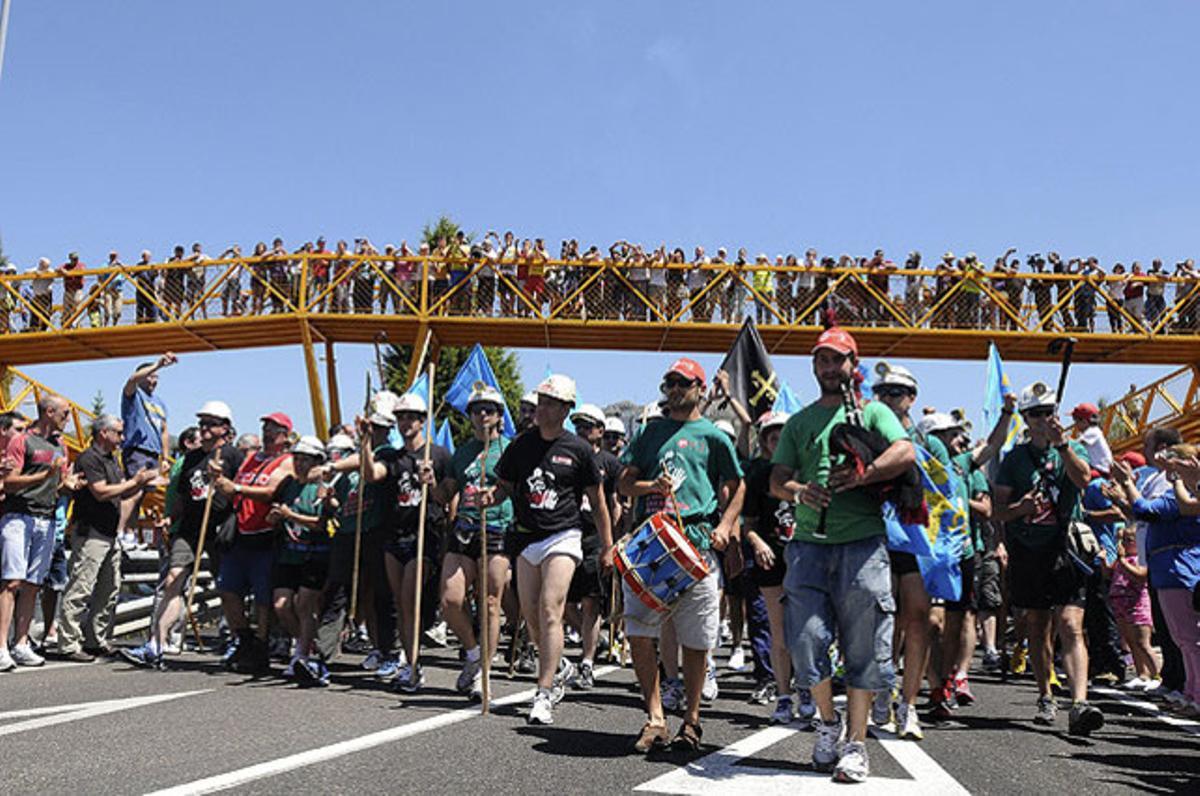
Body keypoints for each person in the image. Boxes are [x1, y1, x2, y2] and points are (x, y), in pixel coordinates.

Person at [769, 327, 913, 783]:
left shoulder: (873, 412)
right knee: (806, 639)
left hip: (863, 543)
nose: (830, 368)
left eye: (838, 360)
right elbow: (778, 481)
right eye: (822, 360)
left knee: (864, 646)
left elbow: (906, 451)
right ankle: (827, 725)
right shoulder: (800, 421)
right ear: (815, 367)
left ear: (854, 365)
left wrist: (864, 475)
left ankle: (856, 744)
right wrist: (801, 493)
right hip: (809, 546)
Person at [618, 358, 743, 753]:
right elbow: (623, 480)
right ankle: (655, 717)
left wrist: (726, 526)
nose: (674, 389)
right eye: (669, 382)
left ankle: (691, 720)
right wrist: (647, 485)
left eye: (682, 383)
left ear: (699, 389)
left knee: (697, 640)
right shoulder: (649, 432)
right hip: (652, 544)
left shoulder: (713, 436)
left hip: (697, 544)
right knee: (638, 631)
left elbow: (737, 484)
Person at [486, 374, 612, 725]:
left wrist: (607, 546)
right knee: (530, 614)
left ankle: (543, 693)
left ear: (566, 409)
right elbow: (504, 488)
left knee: (549, 607)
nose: (542, 408)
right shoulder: (521, 445)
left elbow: (599, 503)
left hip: (564, 536)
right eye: (540, 401)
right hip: (526, 537)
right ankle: (561, 666)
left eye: (551, 403)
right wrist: (487, 498)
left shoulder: (579, 449)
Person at [993, 381, 1105, 735]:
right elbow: (997, 509)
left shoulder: (1072, 448)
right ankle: (1045, 694)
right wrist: (1020, 509)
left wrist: (1062, 445)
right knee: (1039, 627)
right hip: (1028, 550)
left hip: (1065, 547)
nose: (1043, 419)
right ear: (1026, 418)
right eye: (1036, 414)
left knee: (1071, 624)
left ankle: (1080, 702)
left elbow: (1083, 478)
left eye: (1048, 412)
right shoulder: (1014, 459)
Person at [122, 401, 243, 669]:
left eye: (210, 423)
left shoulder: (234, 456)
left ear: (224, 427)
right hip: (189, 527)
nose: (204, 428)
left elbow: (239, 494)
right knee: (173, 580)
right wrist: (170, 517)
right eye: (201, 423)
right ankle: (156, 644)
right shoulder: (191, 457)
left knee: (227, 588)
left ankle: (239, 641)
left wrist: (221, 481)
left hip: (221, 528)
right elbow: (183, 497)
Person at [54, 415, 162, 662]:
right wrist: (135, 481)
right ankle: (68, 643)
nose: (122, 438)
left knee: (109, 588)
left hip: (109, 533)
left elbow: (122, 491)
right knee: (81, 587)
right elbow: (101, 492)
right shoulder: (90, 458)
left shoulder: (111, 460)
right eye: (119, 433)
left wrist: (142, 483)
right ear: (104, 433)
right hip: (91, 532)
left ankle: (95, 639)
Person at [364, 392, 452, 692]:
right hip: (395, 535)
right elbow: (372, 474)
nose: (405, 423)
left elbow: (448, 497)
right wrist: (364, 442)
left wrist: (432, 482)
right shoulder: (392, 457)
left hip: (424, 535)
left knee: (410, 598)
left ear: (422, 421)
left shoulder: (438, 455)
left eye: (411, 418)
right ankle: (410, 661)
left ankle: (413, 664)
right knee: (400, 604)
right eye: (400, 418)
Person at [432, 384, 513, 700]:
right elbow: (444, 494)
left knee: (491, 603)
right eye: (477, 410)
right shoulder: (463, 452)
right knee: (450, 599)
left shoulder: (509, 450)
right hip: (464, 531)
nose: (482, 415)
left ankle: (484, 673)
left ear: (498, 416)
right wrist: (430, 482)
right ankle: (473, 654)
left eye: (489, 410)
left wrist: (492, 497)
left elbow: (516, 489)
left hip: (497, 530)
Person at [209, 413, 296, 673]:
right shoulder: (250, 458)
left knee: (263, 597)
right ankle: (245, 639)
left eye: (275, 429)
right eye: (266, 427)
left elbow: (271, 491)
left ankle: (262, 644)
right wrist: (221, 479)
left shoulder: (286, 462)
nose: (269, 432)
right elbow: (232, 485)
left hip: (265, 536)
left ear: (286, 435)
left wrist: (236, 489)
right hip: (241, 534)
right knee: (227, 590)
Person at [0, 396, 78, 671]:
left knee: (33, 584)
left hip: (47, 518)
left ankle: (21, 643)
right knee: (11, 581)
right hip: (19, 516)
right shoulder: (22, 440)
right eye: (65, 413)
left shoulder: (60, 445)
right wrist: (44, 476)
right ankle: (1, 647)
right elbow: (9, 482)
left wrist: (68, 482)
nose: (68, 418)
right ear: (49, 412)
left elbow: (59, 481)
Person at [743, 411, 809, 724]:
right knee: (779, 629)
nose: (776, 439)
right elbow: (749, 525)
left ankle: (808, 689)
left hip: (805, 559)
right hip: (771, 561)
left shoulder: (805, 471)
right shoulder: (758, 477)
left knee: (808, 630)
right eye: (771, 433)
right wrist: (758, 544)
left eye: (782, 433)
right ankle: (784, 696)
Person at [268, 435, 334, 685]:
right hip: (288, 552)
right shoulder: (289, 485)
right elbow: (278, 511)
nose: (299, 464)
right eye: (296, 458)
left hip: (315, 552)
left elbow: (322, 523)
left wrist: (290, 515)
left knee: (305, 604)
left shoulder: (323, 486)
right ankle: (309, 644)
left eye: (305, 459)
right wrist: (277, 518)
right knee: (281, 605)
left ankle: (302, 654)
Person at [566, 402, 622, 690]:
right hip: (566, 534)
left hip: (594, 539)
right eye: (578, 426)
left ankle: (586, 662)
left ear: (600, 431)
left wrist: (608, 542)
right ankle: (593, 638)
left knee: (591, 602)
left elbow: (613, 503)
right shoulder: (568, 456)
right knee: (560, 601)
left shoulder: (610, 464)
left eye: (588, 426)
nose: (582, 431)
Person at [118, 353, 177, 549]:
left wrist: (165, 456)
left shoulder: (160, 403)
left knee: (142, 495)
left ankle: (131, 534)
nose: (153, 380)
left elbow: (164, 430)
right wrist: (158, 365)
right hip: (137, 449)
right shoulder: (134, 395)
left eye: (156, 378)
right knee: (133, 491)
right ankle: (120, 531)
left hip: (153, 452)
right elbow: (131, 380)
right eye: (150, 376)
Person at [1107, 523, 1160, 689]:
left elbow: (1140, 576)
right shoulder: (1121, 560)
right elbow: (1110, 574)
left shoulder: (1140, 559)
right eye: (1124, 540)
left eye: (1130, 540)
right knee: (1131, 641)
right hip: (1120, 603)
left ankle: (1157, 675)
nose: (1126, 543)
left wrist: (1122, 560)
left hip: (1137, 604)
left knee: (1143, 642)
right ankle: (1142, 674)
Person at [1071, 403, 1113, 475]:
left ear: (1084, 421)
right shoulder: (1093, 432)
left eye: (1076, 421)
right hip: (1099, 469)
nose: (1075, 424)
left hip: (1100, 470)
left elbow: (1074, 446)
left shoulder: (1093, 431)